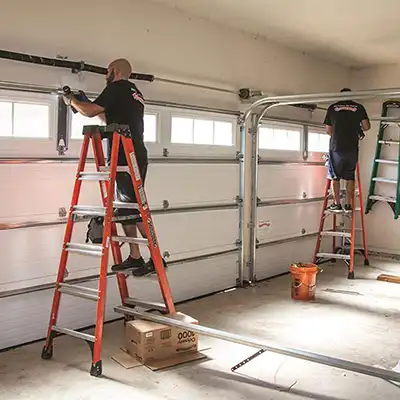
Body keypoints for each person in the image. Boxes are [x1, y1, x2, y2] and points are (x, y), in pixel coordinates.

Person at [63, 58, 156, 277]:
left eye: (107, 71)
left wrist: (72, 102)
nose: (106, 75)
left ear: (114, 71)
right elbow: (106, 117)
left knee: (134, 208)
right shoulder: (133, 92)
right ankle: (135, 255)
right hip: (129, 153)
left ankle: (155, 257)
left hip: (127, 154)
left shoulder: (116, 87)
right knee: (127, 207)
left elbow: (89, 112)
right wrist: (86, 103)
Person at [324, 88, 371, 212]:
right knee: (350, 177)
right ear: (352, 96)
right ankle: (348, 205)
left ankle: (337, 204)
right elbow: (366, 127)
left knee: (335, 177)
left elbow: (329, 130)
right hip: (352, 147)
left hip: (336, 147)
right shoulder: (359, 107)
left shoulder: (332, 108)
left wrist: (338, 135)